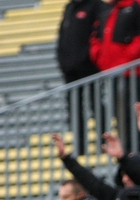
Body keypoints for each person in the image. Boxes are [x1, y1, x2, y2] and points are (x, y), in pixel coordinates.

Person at [89, 0, 140, 151]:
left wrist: (126, 59)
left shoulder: (139, 5)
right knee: (120, 117)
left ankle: (136, 154)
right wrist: (101, 58)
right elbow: (95, 35)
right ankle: (129, 154)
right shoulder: (107, 9)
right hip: (112, 72)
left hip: (133, 74)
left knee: (132, 117)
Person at [57, 0, 105, 155]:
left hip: (91, 69)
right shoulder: (70, 7)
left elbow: (99, 35)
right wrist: (63, 61)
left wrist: (88, 58)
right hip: (70, 71)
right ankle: (80, 148)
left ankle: (104, 144)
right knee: (74, 110)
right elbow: (62, 36)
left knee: (96, 106)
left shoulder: (97, 6)